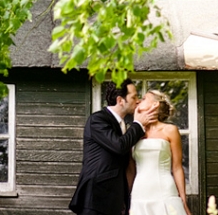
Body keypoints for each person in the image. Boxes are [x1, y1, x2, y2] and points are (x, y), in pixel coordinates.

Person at [70, 79, 158, 215]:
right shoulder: (98, 120)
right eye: (134, 97)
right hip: (95, 198)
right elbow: (119, 146)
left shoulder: (123, 125)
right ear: (120, 100)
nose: (138, 101)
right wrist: (138, 124)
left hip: (115, 201)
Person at [129, 90, 191, 215]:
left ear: (155, 104)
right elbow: (130, 169)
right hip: (139, 191)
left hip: (164, 189)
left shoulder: (170, 130)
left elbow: (177, 167)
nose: (139, 101)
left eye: (144, 98)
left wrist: (183, 199)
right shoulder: (134, 131)